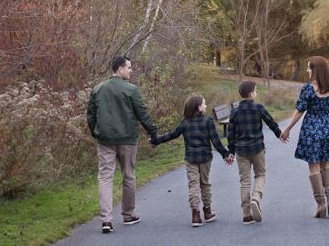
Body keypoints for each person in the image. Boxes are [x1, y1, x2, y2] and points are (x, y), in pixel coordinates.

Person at [280, 55, 329, 218]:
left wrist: (287, 128)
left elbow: (300, 111)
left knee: (314, 167)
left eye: (309, 67)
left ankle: (321, 205)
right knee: (326, 165)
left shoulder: (308, 89)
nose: (307, 70)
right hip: (328, 129)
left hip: (311, 130)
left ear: (316, 69)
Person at [86, 55, 158, 234]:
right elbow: (142, 114)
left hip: (104, 140)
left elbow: (91, 115)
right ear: (120, 69)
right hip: (127, 139)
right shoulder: (131, 90)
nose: (131, 70)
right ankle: (128, 214)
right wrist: (154, 133)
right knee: (128, 176)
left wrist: (95, 132)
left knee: (105, 177)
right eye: (129, 67)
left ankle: (106, 220)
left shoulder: (97, 89)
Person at [151, 93, 233, 227]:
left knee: (193, 185)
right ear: (198, 107)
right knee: (204, 183)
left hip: (191, 158)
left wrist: (155, 141)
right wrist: (226, 155)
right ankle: (207, 211)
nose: (206, 105)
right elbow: (216, 141)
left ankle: (195, 215)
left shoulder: (185, 123)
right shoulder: (207, 121)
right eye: (204, 103)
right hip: (205, 158)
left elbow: (171, 135)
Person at [226, 80, 287, 225]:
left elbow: (230, 134)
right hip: (257, 148)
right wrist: (280, 135)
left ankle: (246, 215)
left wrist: (231, 151)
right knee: (260, 174)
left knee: (244, 181)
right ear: (251, 93)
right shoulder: (258, 107)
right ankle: (256, 198)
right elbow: (270, 122)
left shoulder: (234, 112)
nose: (256, 92)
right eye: (256, 90)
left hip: (241, 151)